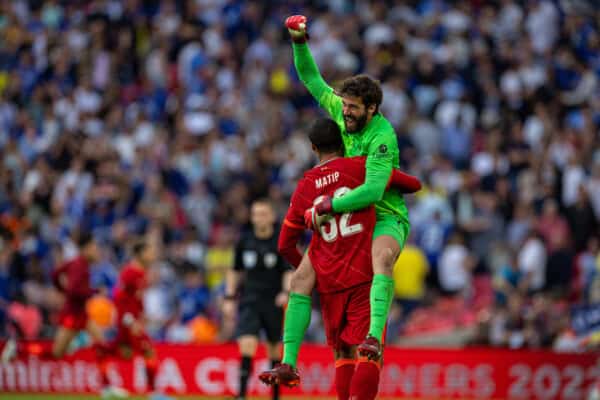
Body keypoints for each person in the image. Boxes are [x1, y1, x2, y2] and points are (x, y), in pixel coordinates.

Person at [260, 118, 420, 400]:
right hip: (364, 275)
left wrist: (313, 272)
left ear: (313, 148)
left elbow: (285, 244)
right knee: (369, 353)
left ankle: (288, 361)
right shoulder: (361, 167)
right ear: (344, 142)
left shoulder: (305, 185)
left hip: (330, 280)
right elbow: (412, 183)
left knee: (343, 354)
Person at [283, 14, 411, 360]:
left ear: (372, 108)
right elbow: (311, 79)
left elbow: (372, 191)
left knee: (382, 258)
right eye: (345, 105)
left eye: (354, 108)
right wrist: (299, 41)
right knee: (301, 280)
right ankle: (288, 364)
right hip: (350, 220)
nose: (346, 113)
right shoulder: (342, 111)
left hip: (383, 214)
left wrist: (327, 207)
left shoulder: (382, 137)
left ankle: (372, 338)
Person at [1, 231, 126, 397]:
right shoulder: (79, 265)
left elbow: (55, 274)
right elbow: (74, 290)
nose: (97, 251)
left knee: (101, 345)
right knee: (57, 352)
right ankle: (20, 348)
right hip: (72, 315)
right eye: (94, 247)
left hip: (81, 313)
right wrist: (94, 291)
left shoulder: (76, 263)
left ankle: (106, 386)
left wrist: (62, 288)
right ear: (86, 248)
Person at [222, 199, 293, 400]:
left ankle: (275, 395)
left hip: (273, 301)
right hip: (249, 300)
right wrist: (229, 297)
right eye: (255, 214)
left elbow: (287, 271)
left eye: (263, 213)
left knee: (273, 349)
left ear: (271, 217)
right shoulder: (244, 241)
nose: (259, 218)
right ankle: (242, 394)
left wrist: (285, 293)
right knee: (247, 343)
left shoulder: (280, 241)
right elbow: (234, 270)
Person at [99, 239, 172, 400]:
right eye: (150, 252)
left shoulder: (141, 272)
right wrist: (130, 321)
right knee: (148, 351)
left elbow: (134, 300)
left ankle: (106, 387)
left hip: (132, 321)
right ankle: (154, 394)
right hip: (128, 323)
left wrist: (142, 316)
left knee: (118, 353)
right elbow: (118, 298)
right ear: (140, 254)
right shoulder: (130, 273)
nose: (153, 255)